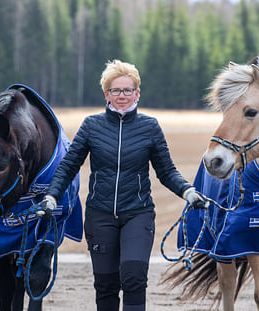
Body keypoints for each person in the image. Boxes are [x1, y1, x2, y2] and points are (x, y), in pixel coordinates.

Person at [39, 59, 205, 311]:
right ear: (106, 94)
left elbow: (167, 171)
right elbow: (68, 166)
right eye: (116, 90)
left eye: (128, 90)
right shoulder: (91, 126)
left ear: (137, 92)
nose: (122, 95)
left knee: (133, 276)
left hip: (138, 214)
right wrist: (52, 196)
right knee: (105, 285)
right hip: (100, 215)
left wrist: (188, 191)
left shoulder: (150, 127)